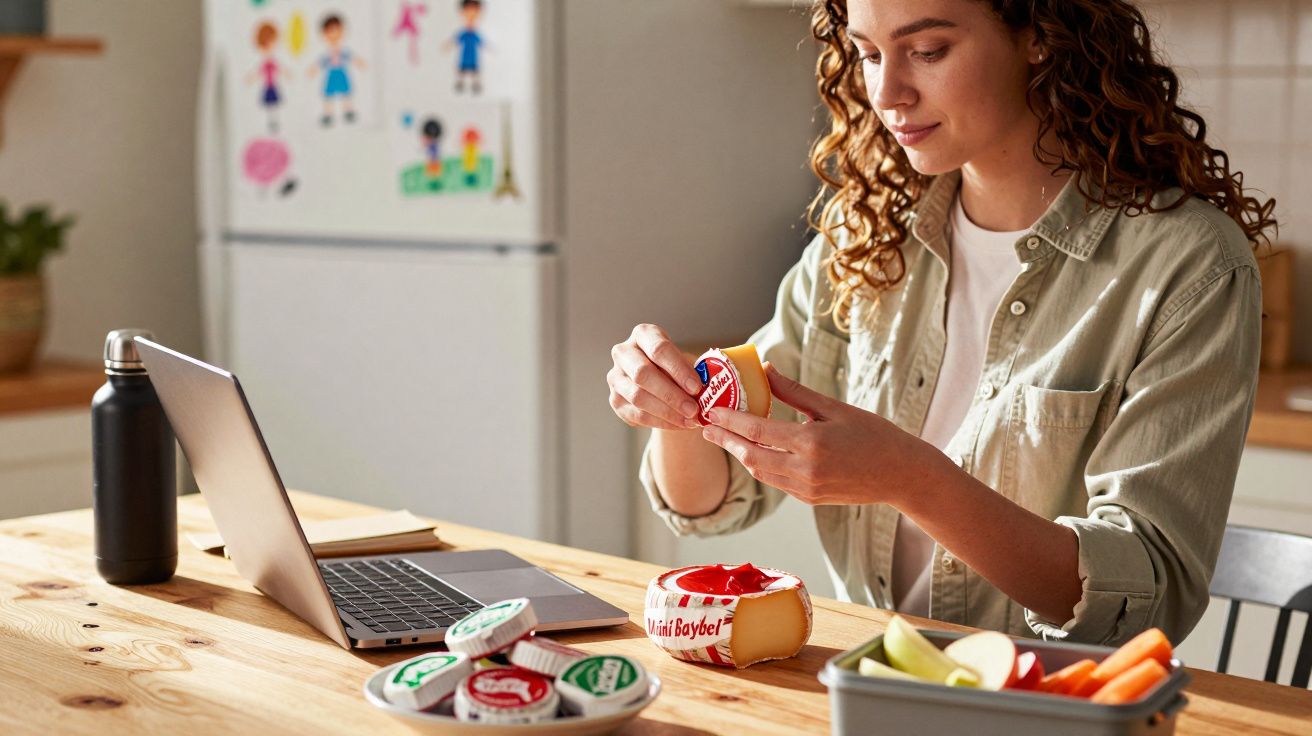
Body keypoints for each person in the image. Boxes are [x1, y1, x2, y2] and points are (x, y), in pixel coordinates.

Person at [610, 0, 1276, 647]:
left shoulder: (1190, 266)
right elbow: (711, 501)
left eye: (927, 51)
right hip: (869, 687)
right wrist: (679, 412)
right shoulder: (864, 235)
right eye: (868, 54)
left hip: (1053, 708)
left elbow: (1148, 599)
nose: (889, 92)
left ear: (1038, 32)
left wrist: (911, 477)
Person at [310, 14, 366, 126]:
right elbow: (321, 62)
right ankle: (328, 114)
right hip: (331, 74)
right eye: (330, 31)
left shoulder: (343, 50)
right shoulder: (327, 53)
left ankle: (348, 111)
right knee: (329, 94)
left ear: (342, 32)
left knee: (345, 92)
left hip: (341, 73)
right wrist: (313, 69)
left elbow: (351, 57)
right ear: (324, 34)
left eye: (337, 31)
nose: (334, 35)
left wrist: (359, 62)